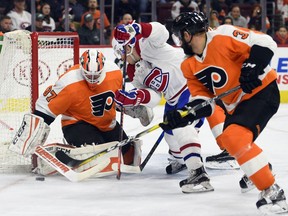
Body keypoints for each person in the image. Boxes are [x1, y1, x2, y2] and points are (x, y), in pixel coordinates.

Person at [167, 11, 287, 214]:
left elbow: (266, 42)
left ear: (187, 34)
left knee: (233, 138)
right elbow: (204, 101)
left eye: (180, 35)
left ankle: (274, 193)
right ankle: (260, 168)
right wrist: (186, 113)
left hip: (261, 92)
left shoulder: (223, 35)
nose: (179, 40)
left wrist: (252, 66)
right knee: (230, 142)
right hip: (236, 105)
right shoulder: (188, 65)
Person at [112, 20, 232, 193]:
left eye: (123, 54)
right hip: (173, 99)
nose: (123, 59)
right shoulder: (133, 71)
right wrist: (135, 97)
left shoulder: (146, 44)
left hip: (189, 83)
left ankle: (198, 171)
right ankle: (182, 159)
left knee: (182, 128)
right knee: (171, 138)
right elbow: (154, 97)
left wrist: (135, 28)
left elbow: (162, 32)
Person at [9, 49, 140, 175]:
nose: (92, 79)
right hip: (77, 124)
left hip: (107, 124)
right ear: (81, 68)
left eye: (96, 75)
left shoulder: (115, 73)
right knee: (98, 156)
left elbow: (117, 100)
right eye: (88, 75)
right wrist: (30, 134)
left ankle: (81, 151)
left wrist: (135, 108)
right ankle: (64, 152)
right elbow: (45, 108)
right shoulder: (69, 81)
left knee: (129, 158)